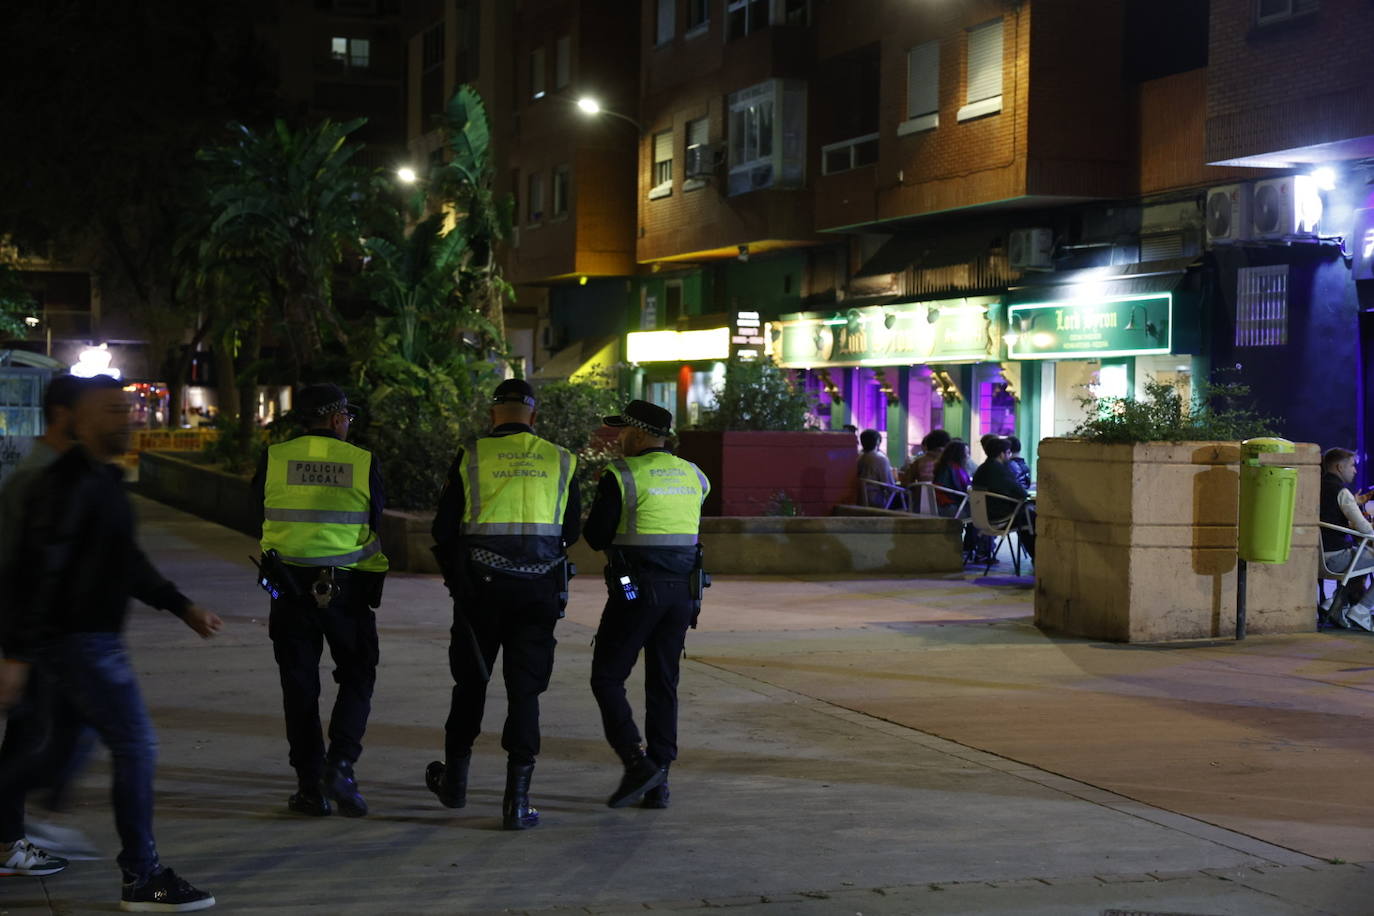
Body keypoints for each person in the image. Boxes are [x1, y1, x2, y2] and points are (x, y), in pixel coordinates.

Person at [0, 374, 222, 911]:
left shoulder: (105, 480)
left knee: (52, 760)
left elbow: (126, 562)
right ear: (75, 419)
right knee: (135, 746)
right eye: (110, 411)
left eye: (127, 411)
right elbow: (39, 570)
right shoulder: (65, 484)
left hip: (85, 642)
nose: (125, 419)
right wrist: (16, 654)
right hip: (77, 643)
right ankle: (142, 876)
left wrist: (181, 606)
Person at [426, 378, 581, 830]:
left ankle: (455, 785)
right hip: (538, 592)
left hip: (480, 592)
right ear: (534, 416)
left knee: (470, 685)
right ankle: (517, 802)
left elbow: (442, 529)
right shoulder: (561, 459)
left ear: (493, 414)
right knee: (525, 691)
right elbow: (570, 530)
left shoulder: (472, 455)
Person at [251, 383, 388, 818]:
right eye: (348, 416)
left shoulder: (274, 457)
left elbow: (255, 510)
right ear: (335, 419)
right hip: (346, 590)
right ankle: (341, 766)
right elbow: (376, 516)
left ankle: (310, 786)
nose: (348, 423)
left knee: (299, 687)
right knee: (357, 675)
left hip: (287, 590)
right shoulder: (362, 461)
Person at [584, 400, 709, 810]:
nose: (618, 438)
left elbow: (597, 537)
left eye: (622, 432)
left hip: (635, 591)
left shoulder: (622, 474)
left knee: (607, 678)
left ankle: (636, 763)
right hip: (683, 596)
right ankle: (660, 782)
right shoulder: (694, 474)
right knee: (663, 682)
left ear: (637, 435)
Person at [0, 375, 91, 878]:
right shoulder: (40, 476)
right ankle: (10, 836)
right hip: (37, 635)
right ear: (63, 414)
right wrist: (17, 652)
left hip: (53, 634)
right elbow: (21, 569)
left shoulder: (56, 470)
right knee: (35, 737)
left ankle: (18, 830)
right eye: (96, 410)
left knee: (53, 732)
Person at [1318, 447, 1374, 628]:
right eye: (1352, 465)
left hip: (1316, 558)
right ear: (1339, 467)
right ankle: (1362, 610)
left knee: (1361, 556)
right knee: (1364, 554)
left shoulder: (1316, 488)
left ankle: (1335, 603)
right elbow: (1365, 529)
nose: (1355, 470)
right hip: (1334, 559)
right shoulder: (1341, 492)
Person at [972, 437, 1036, 559]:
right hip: (999, 516)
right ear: (1001, 454)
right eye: (1008, 453)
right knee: (1032, 518)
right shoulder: (999, 470)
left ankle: (1036, 557)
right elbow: (1021, 493)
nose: (1009, 456)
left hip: (983, 516)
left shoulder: (982, 468)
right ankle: (1038, 557)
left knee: (1027, 517)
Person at [856, 429, 898, 508]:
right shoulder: (881, 458)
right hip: (877, 500)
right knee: (906, 497)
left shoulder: (858, 457)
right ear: (878, 441)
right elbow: (890, 486)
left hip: (859, 498)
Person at [931, 440, 972, 518]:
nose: (968, 456)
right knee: (979, 514)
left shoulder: (944, 467)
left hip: (941, 505)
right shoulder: (953, 469)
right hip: (950, 507)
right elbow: (961, 489)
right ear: (959, 455)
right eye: (966, 453)